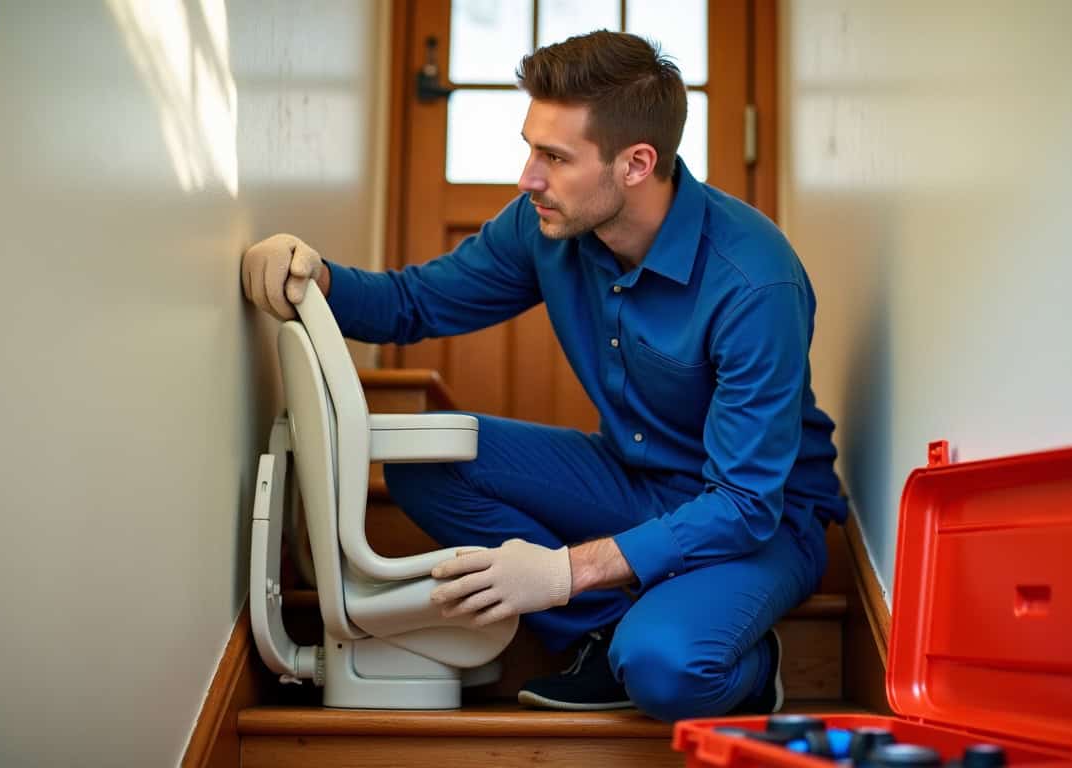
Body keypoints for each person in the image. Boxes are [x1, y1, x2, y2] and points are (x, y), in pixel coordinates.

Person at [240, 30, 847, 722]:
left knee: (666, 667)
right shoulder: (543, 225)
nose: (529, 178)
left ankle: (753, 664)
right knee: (426, 458)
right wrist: (309, 272)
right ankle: (597, 629)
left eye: (554, 157)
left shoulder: (754, 282)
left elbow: (743, 503)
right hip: (631, 478)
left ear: (636, 164)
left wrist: (562, 570)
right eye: (532, 148)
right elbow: (413, 303)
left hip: (758, 518)